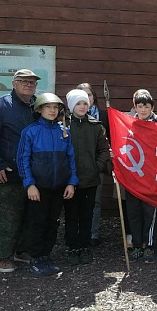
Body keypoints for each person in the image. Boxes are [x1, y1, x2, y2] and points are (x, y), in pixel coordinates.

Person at [0, 68, 40, 273]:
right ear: (14, 83)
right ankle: (3, 257)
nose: (29, 85)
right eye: (24, 81)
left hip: (35, 173)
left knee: (31, 215)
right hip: (11, 171)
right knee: (10, 217)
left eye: (32, 82)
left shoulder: (38, 106)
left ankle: (22, 251)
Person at [17, 93, 78, 277]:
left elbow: (71, 159)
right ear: (39, 109)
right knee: (37, 221)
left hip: (59, 187)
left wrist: (71, 182)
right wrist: (30, 184)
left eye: (55, 108)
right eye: (48, 107)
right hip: (39, 187)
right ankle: (35, 257)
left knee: (53, 221)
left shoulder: (64, 131)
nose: (52, 111)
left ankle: (46, 255)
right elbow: (23, 159)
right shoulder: (30, 132)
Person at [63, 89, 110, 266]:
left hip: (90, 179)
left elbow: (103, 150)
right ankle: (72, 247)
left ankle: (84, 246)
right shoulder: (64, 125)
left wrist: (96, 167)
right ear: (71, 105)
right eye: (78, 103)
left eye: (85, 103)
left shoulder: (96, 126)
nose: (82, 106)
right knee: (71, 214)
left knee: (86, 215)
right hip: (69, 181)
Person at [125, 89, 157, 263]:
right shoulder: (129, 126)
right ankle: (137, 244)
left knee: (149, 213)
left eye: (147, 106)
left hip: (151, 179)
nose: (144, 110)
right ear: (135, 107)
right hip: (133, 179)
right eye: (140, 106)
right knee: (134, 213)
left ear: (152, 107)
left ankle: (149, 245)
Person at [76, 82, 109, 248]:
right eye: (81, 95)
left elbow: (108, 143)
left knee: (94, 201)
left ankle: (93, 234)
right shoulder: (71, 118)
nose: (86, 99)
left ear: (94, 97)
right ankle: (76, 235)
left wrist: (99, 164)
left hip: (97, 166)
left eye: (88, 95)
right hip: (76, 167)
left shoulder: (103, 116)